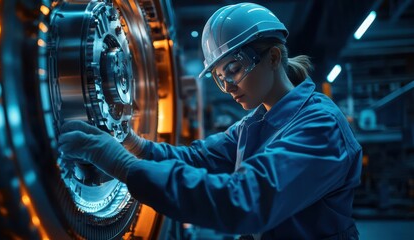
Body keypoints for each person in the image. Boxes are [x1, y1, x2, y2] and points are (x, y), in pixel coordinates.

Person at [58, 2, 362, 239]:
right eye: (218, 78)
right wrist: (131, 143)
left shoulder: (320, 127)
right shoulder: (254, 124)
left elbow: (243, 202)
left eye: (234, 69)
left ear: (272, 58)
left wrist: (122, 166)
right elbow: (194, 158)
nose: (228, 86)